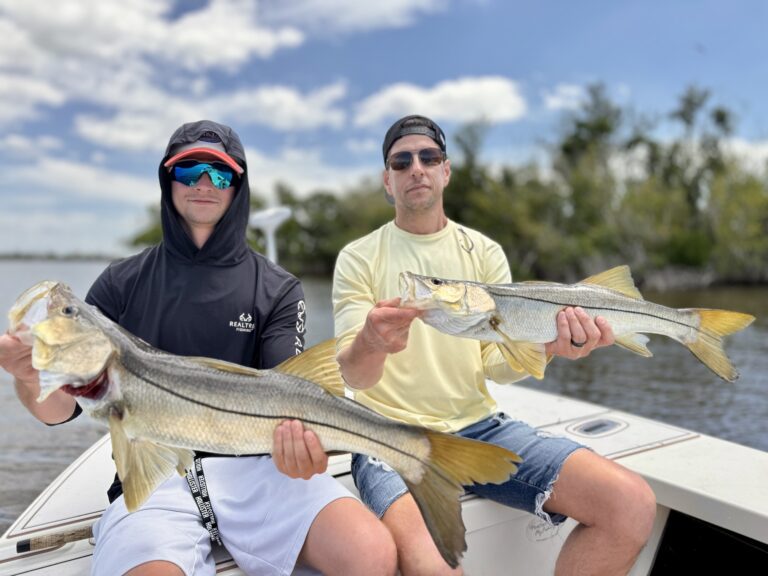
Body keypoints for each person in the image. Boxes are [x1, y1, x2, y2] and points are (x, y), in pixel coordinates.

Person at [0, 120, 396, 576]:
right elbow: (59, 411)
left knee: (372, 554)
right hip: (152, 477)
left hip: (260, 472)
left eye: (220, 174)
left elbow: (293, 397)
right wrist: (29, 377)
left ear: (238, 186)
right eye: (189, 172)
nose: (205, 184)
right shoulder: (120, 282)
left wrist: (308, 452)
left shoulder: (277, 288)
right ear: (169, 181)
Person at [333, 114, 657, 576]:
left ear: (446, 171)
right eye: (401, 162)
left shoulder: (482, 251)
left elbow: (496, 364)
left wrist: (549, 347)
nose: (416, 169)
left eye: (429, 157)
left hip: (481, 427)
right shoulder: (358, 257)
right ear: (388, 181)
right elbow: (354, 375)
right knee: (436, 566)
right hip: (389, 437)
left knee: (632, 505)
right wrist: (371, 341)